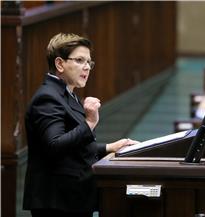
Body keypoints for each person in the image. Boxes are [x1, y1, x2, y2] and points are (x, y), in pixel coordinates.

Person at [23, 33, 138, 217]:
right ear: (60, 64)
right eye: (80, 60)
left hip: (71, 198)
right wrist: (90, 122)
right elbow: (55, 145)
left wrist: (111, 147)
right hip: (56, 202)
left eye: (89, 62)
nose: (87, 67)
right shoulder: (47, 98)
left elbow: (74, 148)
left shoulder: (68, 93)